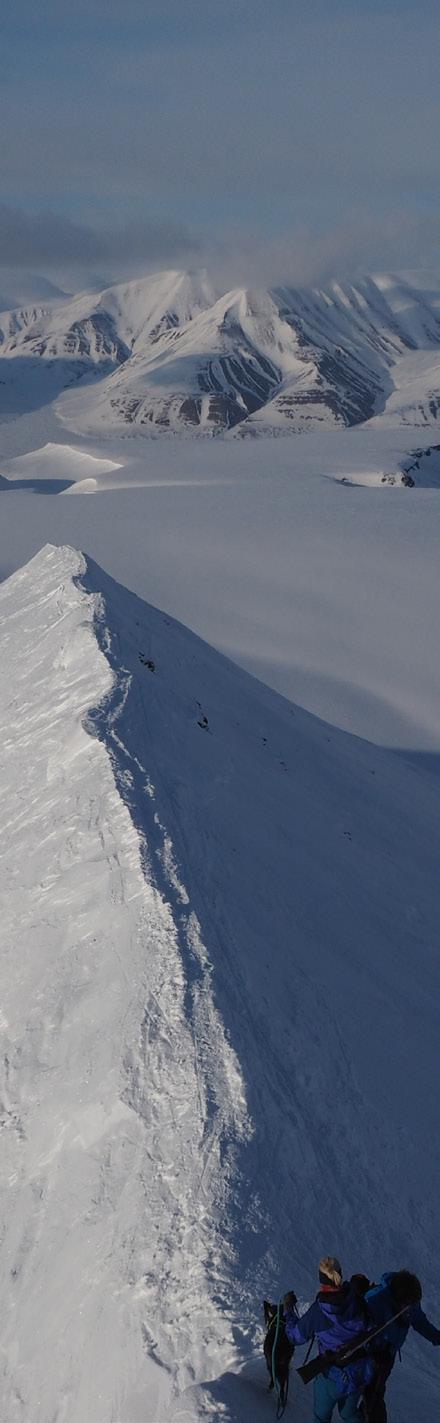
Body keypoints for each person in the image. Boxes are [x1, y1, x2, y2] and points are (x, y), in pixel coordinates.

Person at [284, 1256, 375, 1422]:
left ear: (321, 1281)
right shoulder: (357, 1299)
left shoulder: (319, 1312)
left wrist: (288, 1311)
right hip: (357, 1372)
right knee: (349, 1414)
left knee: (321, 1417)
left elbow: (295, 1337)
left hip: (331, 1375)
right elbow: (369, 1323)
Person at [363, 1270, 440, 1422]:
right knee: (369, 1392)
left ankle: (365, 1415)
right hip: (370, 1356)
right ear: (397, 1298)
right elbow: (361, 1328)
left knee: (375, 1394)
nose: (410, 1308)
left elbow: (420, 1321)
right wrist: (373, 1350)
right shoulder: (376, 1301)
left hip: (387, 1356)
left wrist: (436, 1337)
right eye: (407, 1304)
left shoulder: (410, 1301)